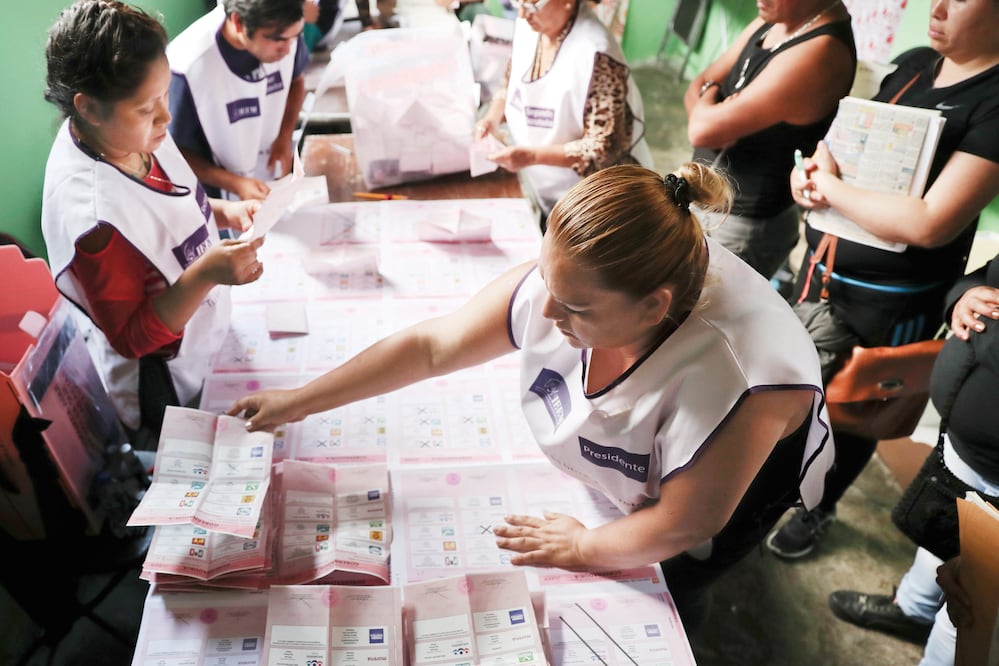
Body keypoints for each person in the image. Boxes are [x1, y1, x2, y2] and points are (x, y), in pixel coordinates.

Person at [228, 163, 834, 629]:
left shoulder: (739, 380)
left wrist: (583, 546)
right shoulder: (588, 275)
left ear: (654, 308)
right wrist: (300, 400)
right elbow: (434, 346)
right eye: (545, 279)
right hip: (645, 459)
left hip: (727, 497)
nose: (544, 313)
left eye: (574, 307)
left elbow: (682, 524)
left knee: (675, 586)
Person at [766, 0, 999, 560]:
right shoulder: (915, 64)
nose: (936, 8)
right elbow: (846, 141)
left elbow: (930, 222)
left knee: (855, 409)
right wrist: (811, 171)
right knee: (791, 383)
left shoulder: (992, 103)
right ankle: (768, 481)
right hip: (823, 267)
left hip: (893, 303)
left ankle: (818, 506)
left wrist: (830, 190)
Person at [40, 0, 265, 438]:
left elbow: (164, 208)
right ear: (89, 108)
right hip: (165, 379)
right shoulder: (94, 217)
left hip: (207, 336)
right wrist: (207, 273)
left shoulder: (129, 134)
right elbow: (131, 338)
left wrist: (223, 210)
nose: (166, 115)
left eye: (164, 96)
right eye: (147, 108)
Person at [825, 254, 999, 663]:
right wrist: (965, 297)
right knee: (945, 533)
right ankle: (912, 609)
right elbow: (988, 274)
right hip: (968, 449)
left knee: (969, 616)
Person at [683, 0, 855, 280]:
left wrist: (709, 104)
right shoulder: (776, 19)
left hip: (741, 225)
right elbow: (699, 83)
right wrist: (712, 97)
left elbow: (702, 130)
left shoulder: (822, 49)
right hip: (707, 203)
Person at [475, 0, 652, 218]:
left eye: (532, 5)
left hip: (590, 203)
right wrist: (492, 118)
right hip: (543, 185)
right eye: (518, 2)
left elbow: (603, 149)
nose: (522, 14)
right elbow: (510, 81)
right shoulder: (529, 27)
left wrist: (532, 156)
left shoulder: (597, 53)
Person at [167, 0, 309, 200]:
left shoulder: (285, 30)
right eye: (278, 39)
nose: (287, 49)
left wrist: (284, 137)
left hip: (268, 176)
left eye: (295, 36)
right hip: (216, 194)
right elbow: (174, 152)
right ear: (238, 22)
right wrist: (234, 183)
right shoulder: (187, 68)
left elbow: (296, 80)